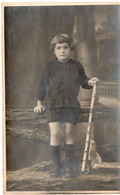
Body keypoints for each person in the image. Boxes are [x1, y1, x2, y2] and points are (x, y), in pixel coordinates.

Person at [33, 34, 99, 178]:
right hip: (54, 105)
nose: (62, 50)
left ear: (71, 49)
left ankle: (70, 168)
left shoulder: (76, 66)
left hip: (71, 105)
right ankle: (56, 167)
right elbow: (42, 87)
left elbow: (83, 81)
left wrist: (90, 82)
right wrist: (39, 103)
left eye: (65, 47)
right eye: (59, 48)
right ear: (54, 51)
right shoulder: (50, 67)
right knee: (55, 134)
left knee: (69, 135)